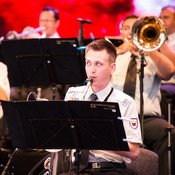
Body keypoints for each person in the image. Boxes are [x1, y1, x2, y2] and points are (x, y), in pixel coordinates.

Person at [50, 39, 142, 175]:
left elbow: (134, 152)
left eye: (98, 64)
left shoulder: (125, 102)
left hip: (110, 168)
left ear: (112, 68)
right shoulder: (73, 93)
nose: (91, 70)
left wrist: (97, 135)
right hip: (78, 168)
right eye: (88, 63)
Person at [110, 14, 175, 175]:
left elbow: (169, 72)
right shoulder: (113, 57)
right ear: (121, 32)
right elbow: (93, 73)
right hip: (116, 117)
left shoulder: (152, 57)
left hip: (146, 119)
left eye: (134, 30)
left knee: (168, 133)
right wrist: (116, 51)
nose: (130, 33)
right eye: (126, 29)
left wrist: (149, 48)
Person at [10, 6, 67, 101]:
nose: (44, 24)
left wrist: (38, 41)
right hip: (30, 85)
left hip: (50, 86)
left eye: (48, 20)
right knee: (11, 93)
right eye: (41, 20)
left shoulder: (61, 44)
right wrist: (24, 44)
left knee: (52, 98)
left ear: (57, 23)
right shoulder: (35, 40)